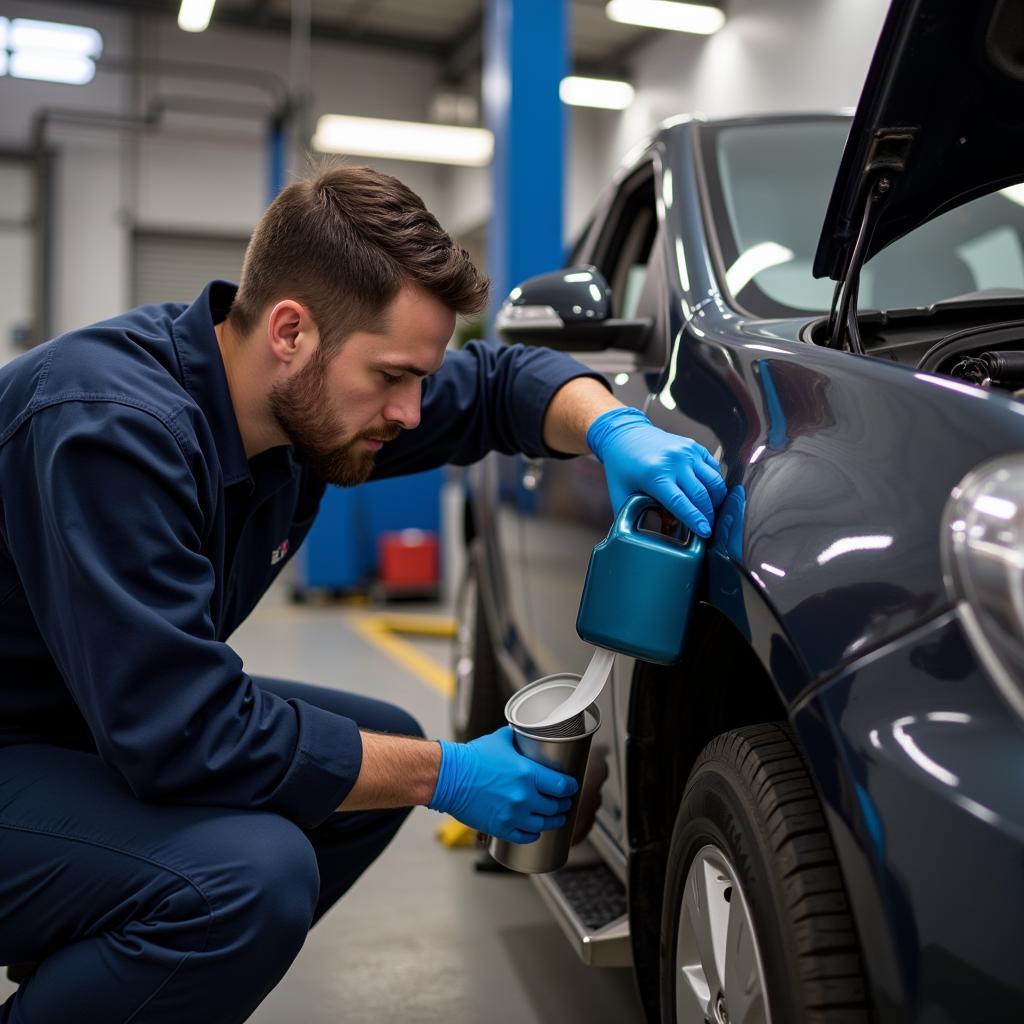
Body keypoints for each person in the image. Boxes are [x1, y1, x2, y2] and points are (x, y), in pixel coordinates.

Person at [0, 164, 725, 1023]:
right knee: (249, 878)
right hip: (34, 739)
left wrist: (613, 426)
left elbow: (497, 383)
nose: (412, 411)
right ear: (291, 331)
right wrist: (447, 775)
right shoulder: (109, 429)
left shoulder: (295, 408)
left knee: (376, 751)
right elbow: (179, 734)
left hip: (78, 722)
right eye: (390, 378)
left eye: (418, 379)